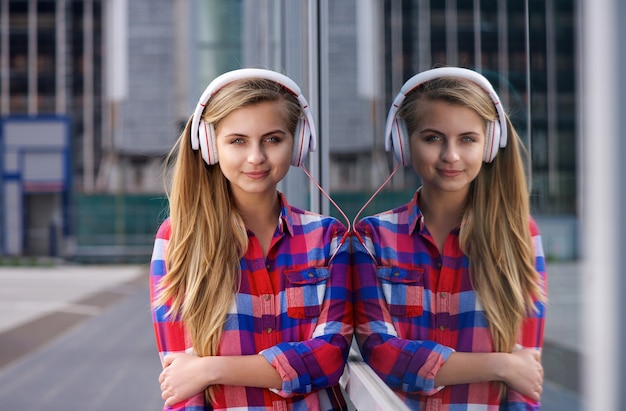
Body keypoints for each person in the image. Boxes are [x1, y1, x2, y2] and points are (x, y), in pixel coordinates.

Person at [149, 68, 353, 411]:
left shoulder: (328, 238)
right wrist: (199, 373)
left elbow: (329, 358)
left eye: (273, 139)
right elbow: (182, 381)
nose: (256, 157)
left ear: (298, 144)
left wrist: (211, 368)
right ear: (211, 146)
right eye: (237, 141)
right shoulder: (178, 239)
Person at [352, 67, 547, 410]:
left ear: (489, 145)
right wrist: (499, 365)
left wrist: (513, 370)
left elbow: (525, 380)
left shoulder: (519, 235)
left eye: (467, 139)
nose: (451, 155)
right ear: (402, 143)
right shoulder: (372, 238)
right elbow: (382, 353)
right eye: (432, 138)